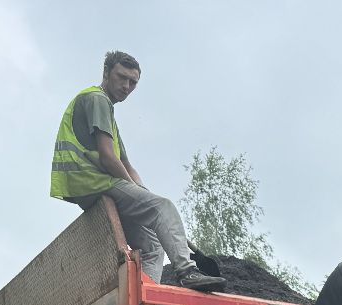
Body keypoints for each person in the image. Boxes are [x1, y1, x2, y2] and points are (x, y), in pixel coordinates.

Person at [50, 51, 224, 292]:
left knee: (153, 245)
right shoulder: (97, 99)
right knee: (164, 207)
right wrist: (148, 200)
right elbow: (108, 157)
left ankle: (144, 296)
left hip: (90, 185)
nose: (126, 86)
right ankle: (187, 271)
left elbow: (126, 164)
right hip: (91, 180)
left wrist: (142, 192)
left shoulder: (108, 113)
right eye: (122, 77)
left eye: (133, 82)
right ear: (106, 73)